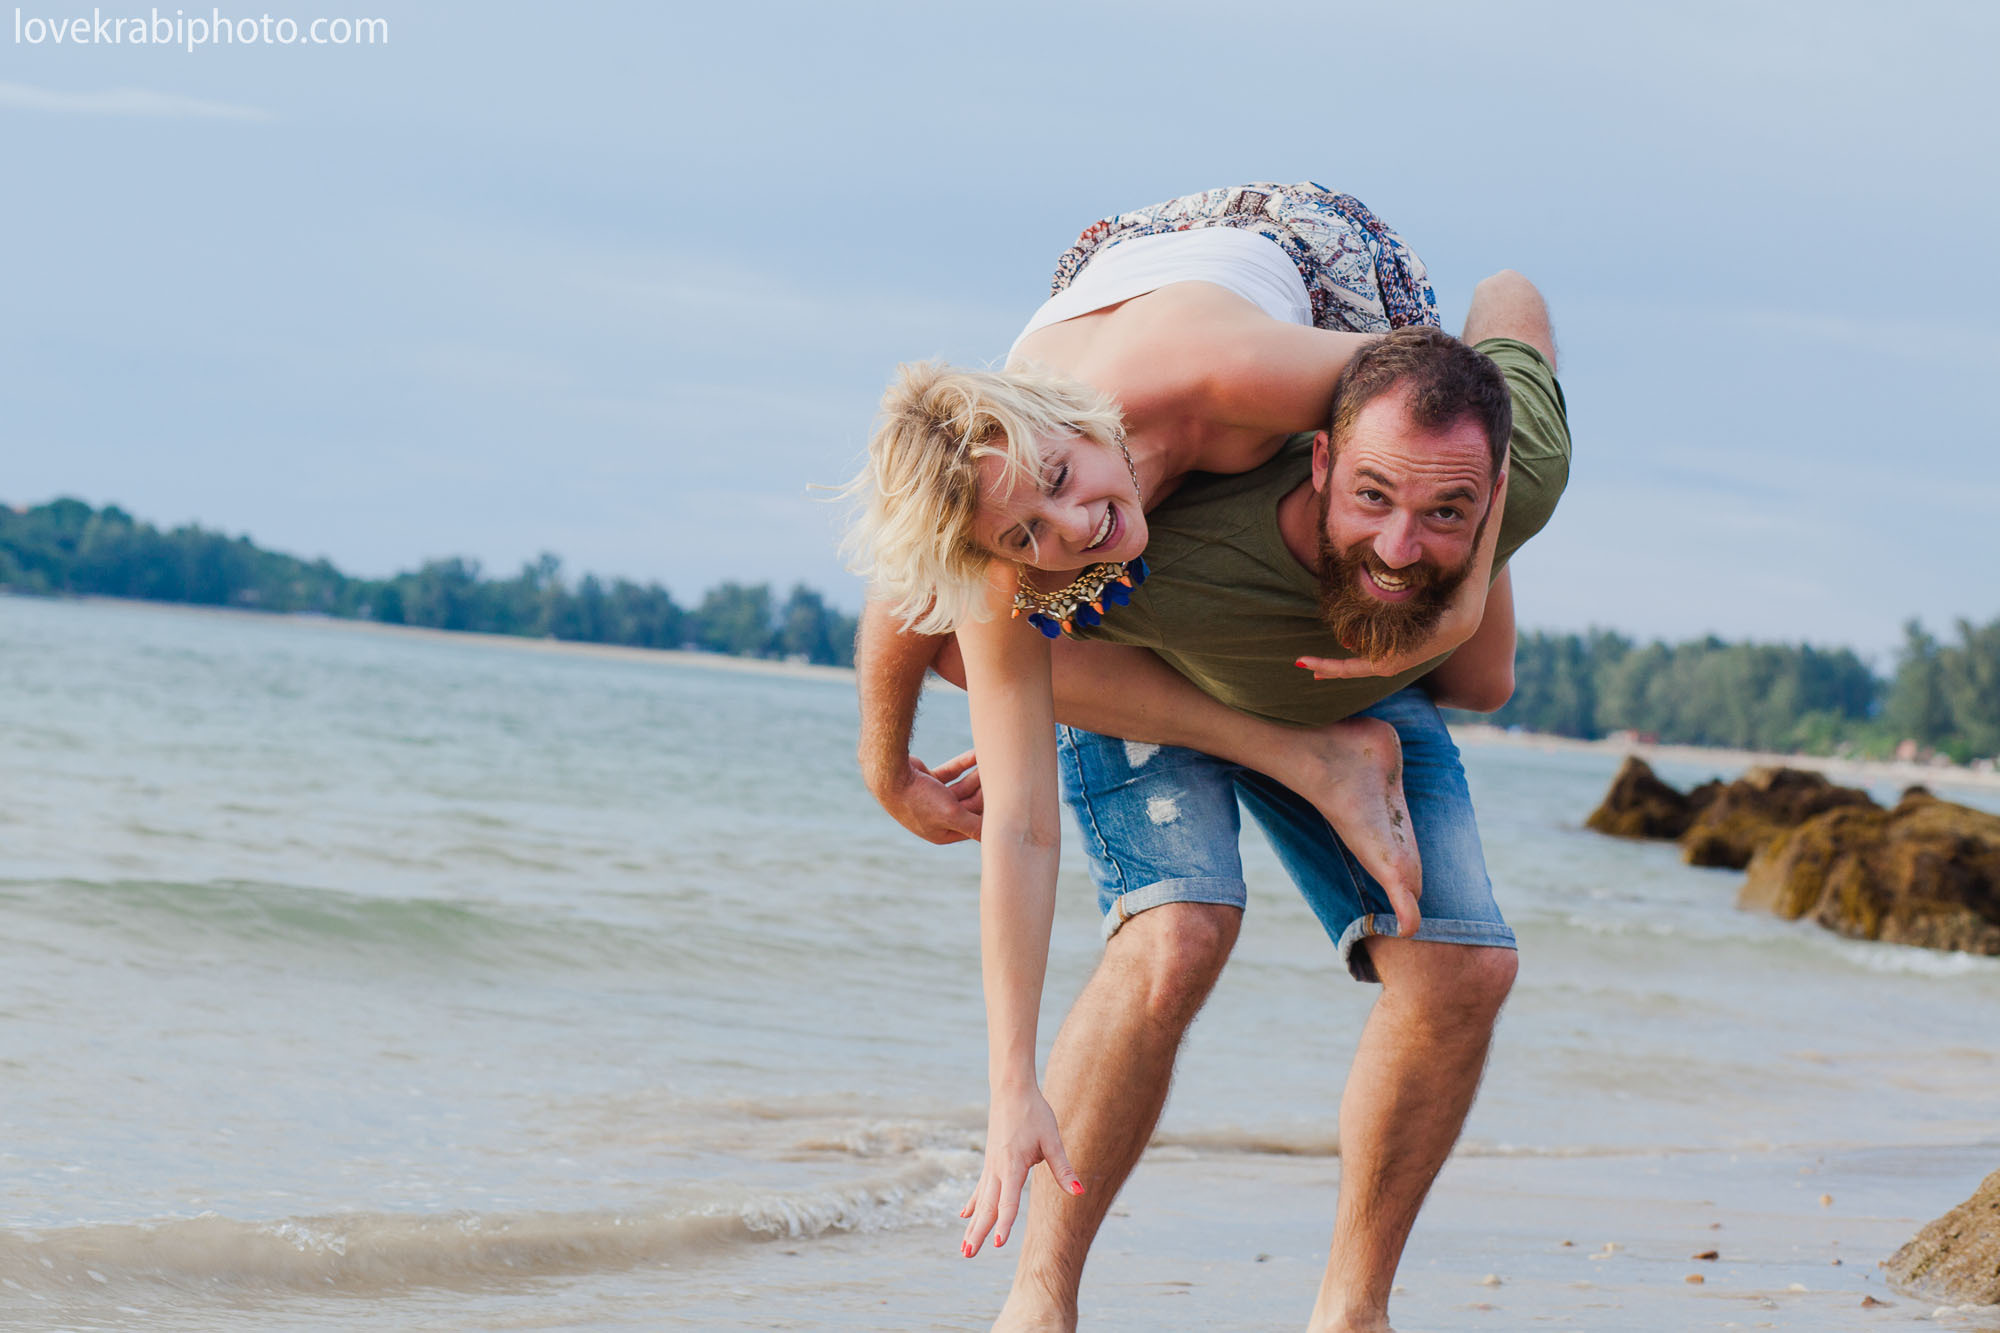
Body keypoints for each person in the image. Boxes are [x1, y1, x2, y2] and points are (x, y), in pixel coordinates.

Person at [857, 268, 1570, 1331]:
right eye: (1027, 531)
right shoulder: (1015, 544)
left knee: (1465, 928)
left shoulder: (1230, 376)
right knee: (1175, 929)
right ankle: (1037, 1304)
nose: (1076, 522)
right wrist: (1009, 1086)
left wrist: (1460, 604)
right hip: (1145, 618)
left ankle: (1350, 1310)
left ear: (1075, 418)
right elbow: (1003, 794)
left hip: (1252, 302)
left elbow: (1463, 381)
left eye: (1063, 473)